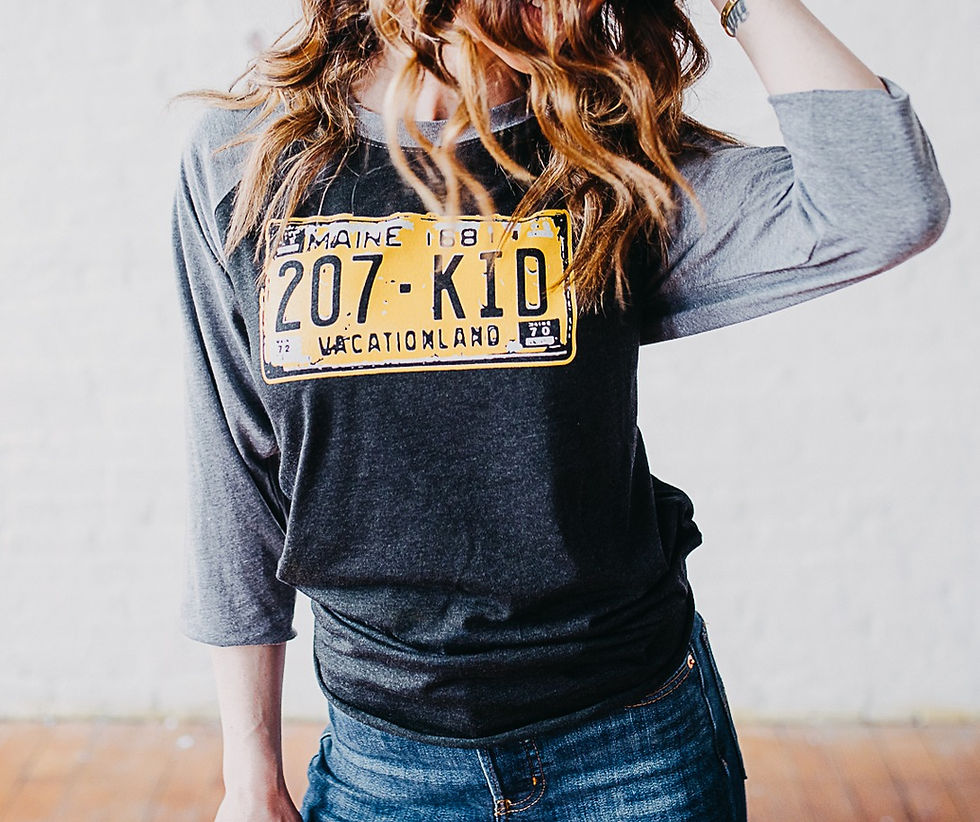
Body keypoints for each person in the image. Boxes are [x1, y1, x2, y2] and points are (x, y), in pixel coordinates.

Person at [171, 1, 949, 820]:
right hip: (387, 768)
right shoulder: (249, 160)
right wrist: (249, 771)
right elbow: (236, 467)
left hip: (634, 756)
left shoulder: (611, 161)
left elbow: (883, 203)